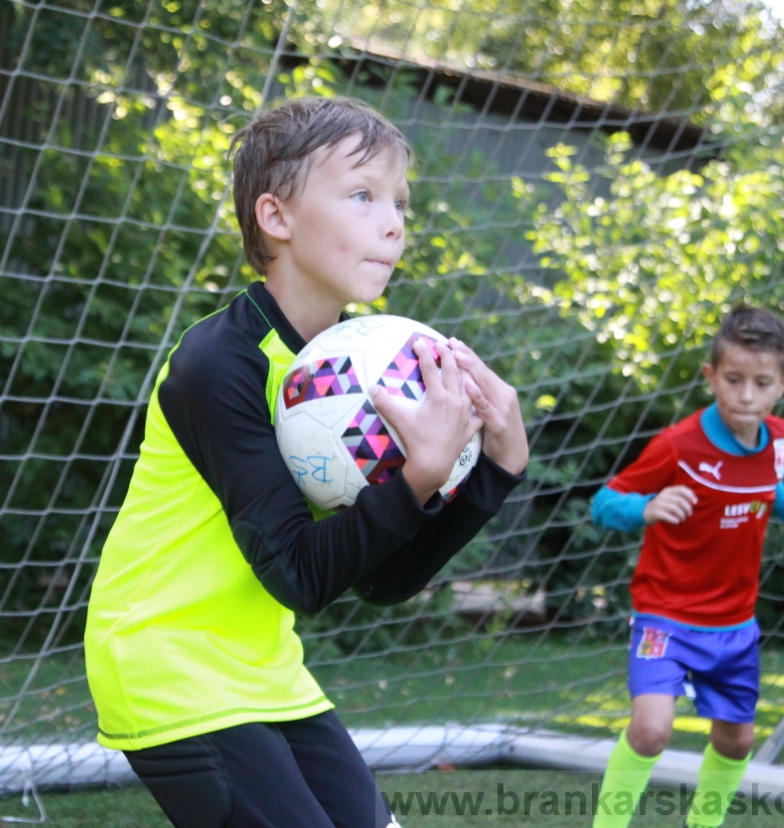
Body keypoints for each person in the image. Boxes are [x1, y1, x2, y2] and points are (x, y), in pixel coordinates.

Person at [83, 96, 528, 828]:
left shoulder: (368, 363)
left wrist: (493, 471)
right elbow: (297, 573)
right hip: (165, 661)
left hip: (269, 672)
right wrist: (417, 474)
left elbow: (380, 578)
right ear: (276, 218)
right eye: (362, 195)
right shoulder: (217, 362)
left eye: (399, 203)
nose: (393, 222)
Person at [590, 304, 784, 828]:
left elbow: (771, 490)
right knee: (650, 729)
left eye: (762, 383)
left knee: (737, 742)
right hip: (664, 615)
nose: (747, 396)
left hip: (734, 626)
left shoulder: (780, 439)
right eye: (734, 380)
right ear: (712, 377)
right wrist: (643, 508)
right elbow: (603, 503)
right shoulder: (678, 446)